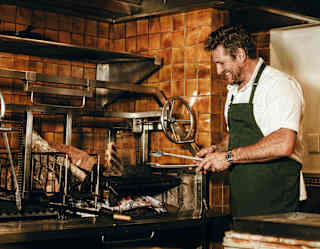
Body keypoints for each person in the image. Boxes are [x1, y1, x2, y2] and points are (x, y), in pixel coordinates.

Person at [195, 25, 306, 217]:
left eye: (221, 63)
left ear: (240, 55)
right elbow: (239, 135)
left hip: (279, 201)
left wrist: (228, 157)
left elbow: (283, 143)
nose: (218, 71)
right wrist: (217, 150)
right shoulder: (235, 90)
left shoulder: (278, 85)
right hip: (244, 200)